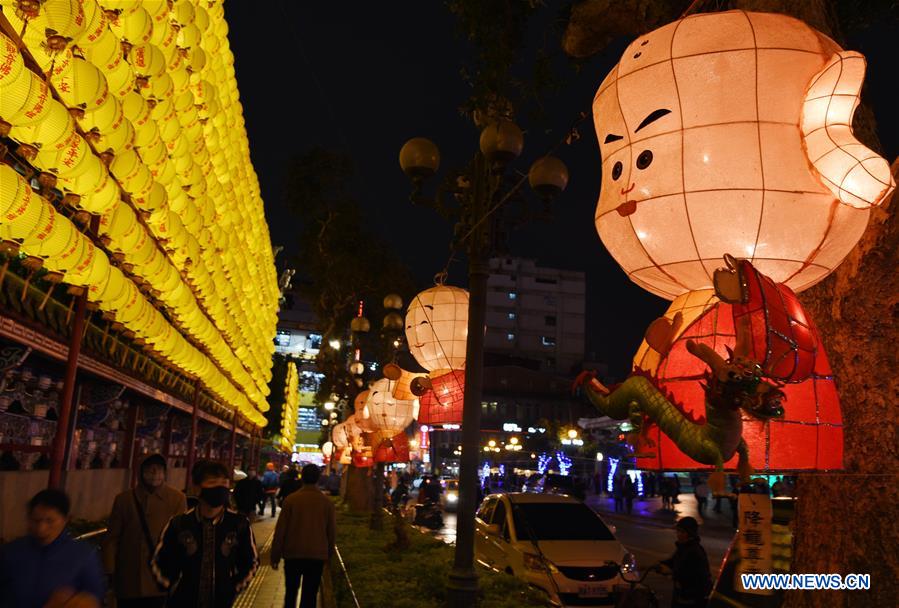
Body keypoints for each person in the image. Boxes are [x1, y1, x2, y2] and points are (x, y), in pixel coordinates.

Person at [152, 459, 258, 607]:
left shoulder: (239, 524)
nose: (220, 487)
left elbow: (251, 562)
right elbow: (159, 560)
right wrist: (172, 586)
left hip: (221, 602)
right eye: (213, 482)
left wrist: (232, 588)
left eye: (224, 482)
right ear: (197, 488)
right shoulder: (179, 524)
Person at [103, 453, 187, 608]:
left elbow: (181, 538)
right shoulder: (124, 499)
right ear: (141, 472)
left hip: (160, 575)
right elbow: (112, 538)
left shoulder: (177, 499)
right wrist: (110, 570)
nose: (155, 473)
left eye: (159, 469)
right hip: (129, 574)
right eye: (150, 469)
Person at [0, 489, 105, 608]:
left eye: (50, 521)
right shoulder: (11, 552)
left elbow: (94, 597)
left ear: (65, 520)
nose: (41, 528)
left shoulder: (83, 555)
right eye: (36, 520)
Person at [271, 464, 336, 608]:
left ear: (302, 478)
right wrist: (329, 555)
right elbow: (331, 532)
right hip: (317, 555)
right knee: (310, 594)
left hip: (293, 553)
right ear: (318, 479)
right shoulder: (327, 503)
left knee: (291, 592)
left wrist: (275, 554)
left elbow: (281, 530)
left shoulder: (291, 500)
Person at [655, 517, 712, 608]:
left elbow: (691, 575)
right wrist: (655, 566)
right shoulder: (683, 548)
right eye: (678, 531)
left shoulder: (695, 551)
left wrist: (671, 572)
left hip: (692, 598)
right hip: (682, 595)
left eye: (682, 532)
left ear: (690, 534)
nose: (678, 535)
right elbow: (672, 561)